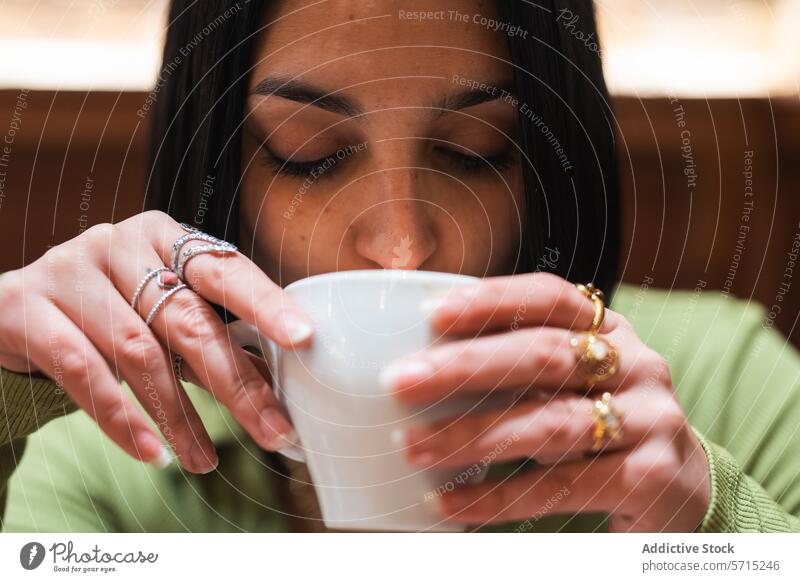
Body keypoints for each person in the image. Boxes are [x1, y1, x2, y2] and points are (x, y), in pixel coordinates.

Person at [1, 0, 798, 533]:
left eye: (474, 153)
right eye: (311, 156)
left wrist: (716, 529)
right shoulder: (116, 459)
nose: (402, 244)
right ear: (218, 168)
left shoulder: (727, 383)